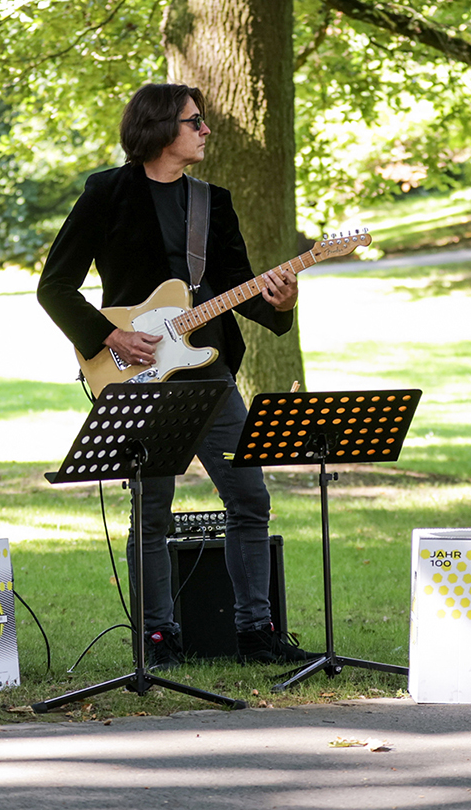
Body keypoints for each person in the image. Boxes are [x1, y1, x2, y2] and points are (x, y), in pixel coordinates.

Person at [37, 83, 309, 666]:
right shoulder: (106, 192)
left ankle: (255, 632)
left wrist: (282, 305)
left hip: (209, 371)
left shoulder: (214, 201)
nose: (206, 130)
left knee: (249, 497)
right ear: (161, 129)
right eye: (195, 121)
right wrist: (109, 335)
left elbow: (239, 287)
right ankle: (158, 638)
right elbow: (54, 286)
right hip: (134, 371)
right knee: (152, 510)